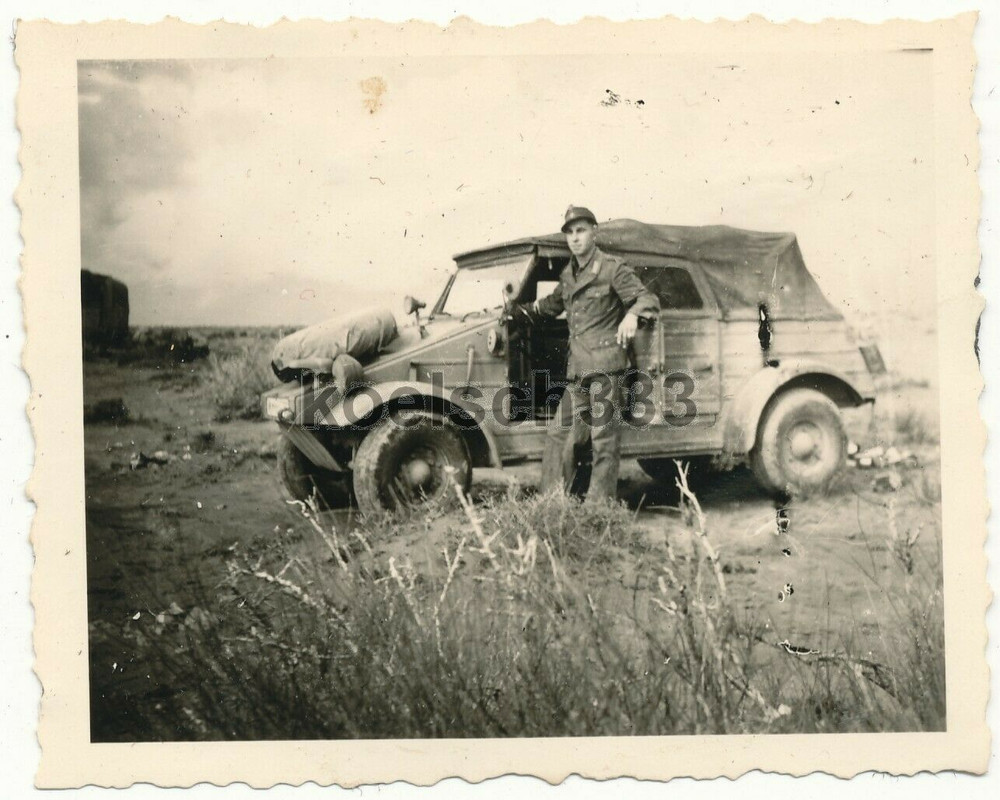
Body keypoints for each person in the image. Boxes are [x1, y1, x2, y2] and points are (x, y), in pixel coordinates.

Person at [527, 206, 659, 501]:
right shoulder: (568, 275)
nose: (575, 238)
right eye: (570, 233)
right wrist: (520, 310)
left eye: (581, 230)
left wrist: (632, 315)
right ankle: (551, 503)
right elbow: (550, 305)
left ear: (594, 232)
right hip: (578, 371)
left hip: (606, 370)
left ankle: (598, 509)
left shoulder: (612, 268)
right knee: (560, 434)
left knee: (603, 441)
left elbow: (647, 299)